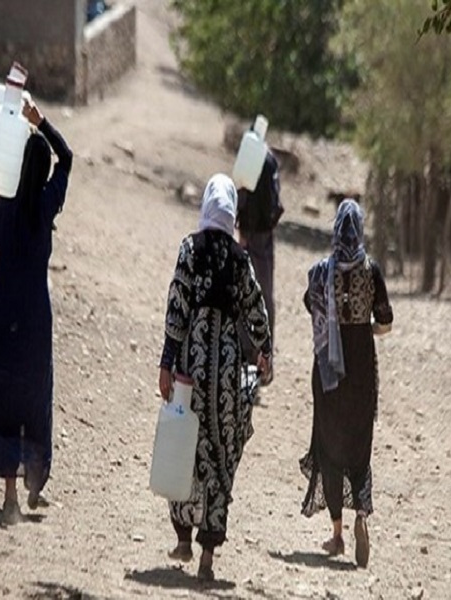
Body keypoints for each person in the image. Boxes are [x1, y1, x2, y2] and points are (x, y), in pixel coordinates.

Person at [0, 99, 73, 525]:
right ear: (42, 172)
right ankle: (32, 481)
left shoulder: (3, 205)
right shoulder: (45, 207)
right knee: (32, 397)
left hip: (0, 310)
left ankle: (10, 492)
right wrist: (40, 121)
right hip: (33, 320)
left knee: (3, 400)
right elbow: (67, 157)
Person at [158, 173, 272, 581]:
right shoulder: (241, 260)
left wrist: (166, 362)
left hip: (190, 368)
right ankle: (207, 555)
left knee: (184, 447)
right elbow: (256, 310)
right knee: (220, 455)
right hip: (226, 373)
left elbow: (177, 307)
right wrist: (264, 350)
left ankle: (183, 538)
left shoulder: (190, 249)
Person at [299, 199, 393, 568]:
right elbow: (385, 322)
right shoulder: (372, 271)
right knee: (359, 444)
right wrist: (364, 328)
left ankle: (337, 533)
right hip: (362, 370)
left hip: (328, 374)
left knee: (330, 446)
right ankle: (362, 515)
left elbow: (310, 306)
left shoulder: (321, 273)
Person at [236, 139, 283, 374]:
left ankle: (246, 355)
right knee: (265, 294)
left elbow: (244, 197)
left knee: (244, 293)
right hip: (266, 236)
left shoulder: (250, 155)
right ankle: (265, 359)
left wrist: (243, 231)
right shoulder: (271, 158)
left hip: (250, 236)